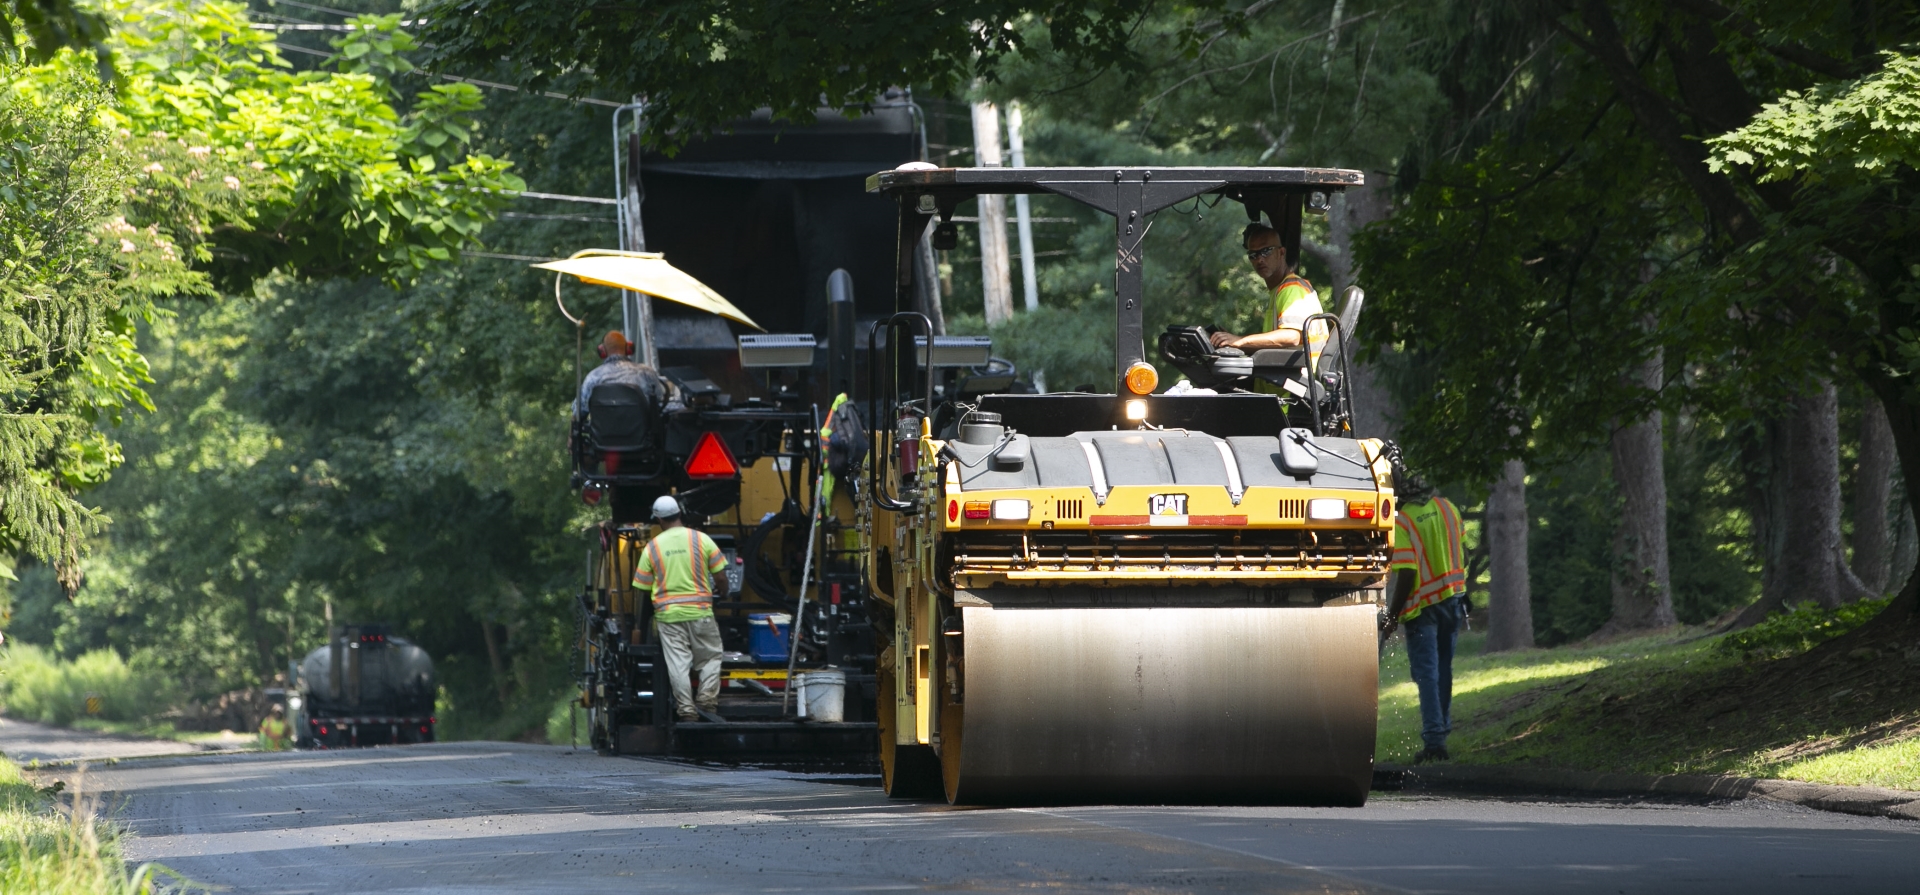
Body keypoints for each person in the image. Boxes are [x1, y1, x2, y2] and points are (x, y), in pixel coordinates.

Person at [1383, 467, 1468, 763]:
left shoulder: (1404, 520)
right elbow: (1463, 552)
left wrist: (1392, 616)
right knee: (1443, 668)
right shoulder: (1448, 508)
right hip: (1453, 600)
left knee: (1427, 674)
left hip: (1423, 608)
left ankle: (1434, 741)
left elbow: (1407, 572)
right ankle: (1441, 730)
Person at [631, 495, 731, 722]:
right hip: (701, 613)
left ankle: (687, 711)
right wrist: (723, 592)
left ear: (658, 519)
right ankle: (706, 702)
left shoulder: (652, 547)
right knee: (710, 658)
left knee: (678, 664)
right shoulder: (701, 539)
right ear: (680, 513)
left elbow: (643, 587)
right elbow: (721, 577)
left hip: (669, 618)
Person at [1209, 223, 1330, 361]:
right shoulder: (1277, 291)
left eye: (1266, 251)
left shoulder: (1293, 289)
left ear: (1281, 252)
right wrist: (1232, 343)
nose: (1259, 259)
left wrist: (1240, 341)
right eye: (1253, 255)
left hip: (1301, 374)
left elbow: (1292, 337)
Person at [575, 330, 657, 418]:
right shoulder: (647, 373)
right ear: (629, 348)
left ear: (602, 351)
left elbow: (578, 412)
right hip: (642, 426)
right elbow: (661, 402)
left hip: (605, 427)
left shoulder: (593, 377)